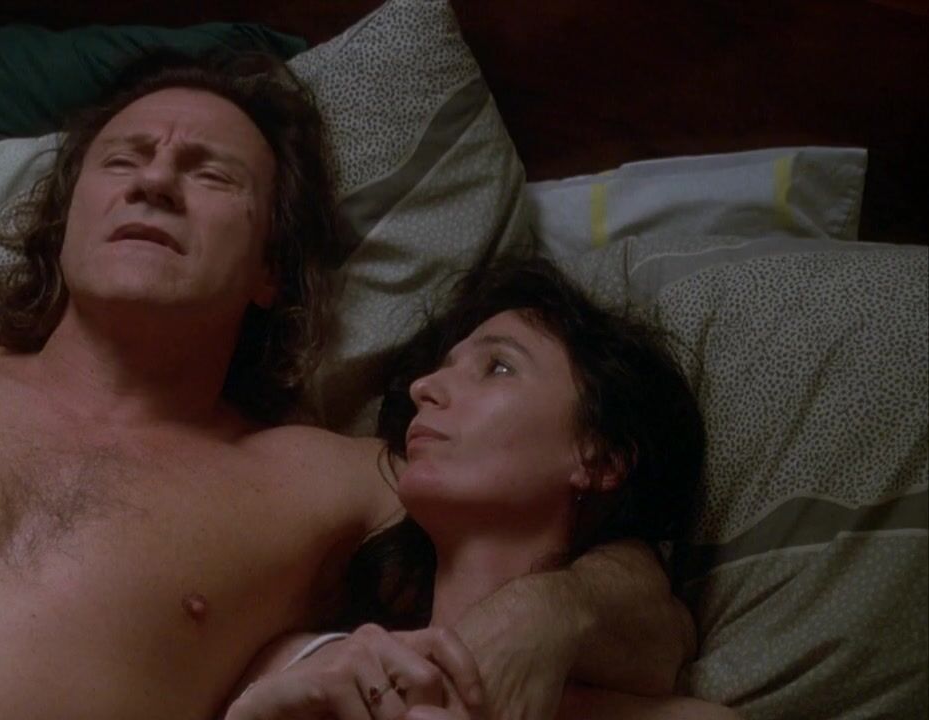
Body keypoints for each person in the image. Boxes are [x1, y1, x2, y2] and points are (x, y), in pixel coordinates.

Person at [0, 51, 692, 719]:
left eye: (210, 174)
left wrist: (552, 614)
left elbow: (636, 592)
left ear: (270, 269)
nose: (156, 180)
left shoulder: (323, 477)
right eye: (122, 160)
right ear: (66, 215)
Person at [225, 255, 737, 719]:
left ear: (599, 459)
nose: (424, 387)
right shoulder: (316, 678)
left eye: (498, 367)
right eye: (439, 369)